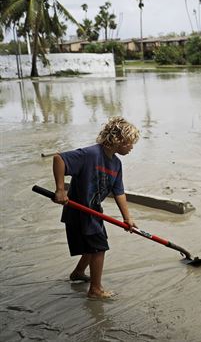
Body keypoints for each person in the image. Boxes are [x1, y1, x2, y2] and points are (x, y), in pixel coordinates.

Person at [52, 116, 140, 299]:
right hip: (78, 210)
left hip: (94, 212)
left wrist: (127, 218)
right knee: (99, 247)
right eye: (131, 143)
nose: (132, 147)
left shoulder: (116, 164)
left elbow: (119, 192)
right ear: (119, 140)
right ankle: (95, 289)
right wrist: (60, 190)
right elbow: (59, 159)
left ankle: (78, 273)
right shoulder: (91, 154)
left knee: (93, 246)